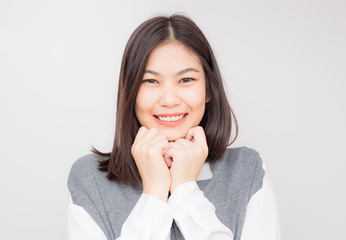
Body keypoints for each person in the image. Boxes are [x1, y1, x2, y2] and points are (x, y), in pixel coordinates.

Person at [67, 14, 280, 240]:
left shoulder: (247, 172)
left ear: (209, 89)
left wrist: (186, 189)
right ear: (130, 92)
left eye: (186, 80)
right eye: (150, 81)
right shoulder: (89, 180)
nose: (169, 100)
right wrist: (155, 192)